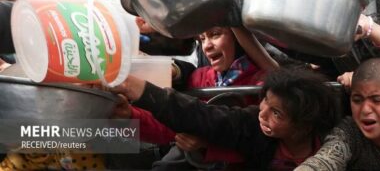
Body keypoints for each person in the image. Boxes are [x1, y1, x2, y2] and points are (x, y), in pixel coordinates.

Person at [111, 66, 342, 170]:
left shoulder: (335, 144)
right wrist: (140, 95)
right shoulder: (252, 127)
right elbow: (202, 117)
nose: (262, 112)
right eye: (264, 101)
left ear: (303, 125)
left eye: (277, 113)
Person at [295, 58, 380, 170]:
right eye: (357, 100)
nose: (365, 109)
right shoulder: (349, 133)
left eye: (377, 100)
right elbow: (322, 161)